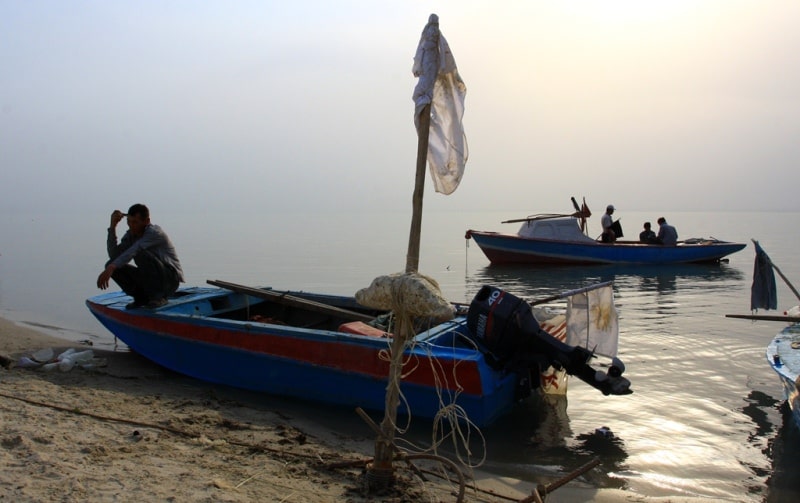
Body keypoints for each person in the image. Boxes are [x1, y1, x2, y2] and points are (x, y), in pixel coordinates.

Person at [97, 204, 184, 309]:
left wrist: (112, 267)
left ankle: (158, 297)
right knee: (111, 264)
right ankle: (141, 298)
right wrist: (112, 227)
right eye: (129, 222)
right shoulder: (131, 235)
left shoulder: (154, 233)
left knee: (139, 254)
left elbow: (135, 250)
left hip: (170, 280)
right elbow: (114, 256)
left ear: (146, 221)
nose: (131, 225)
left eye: (135, 222)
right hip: (150, 280)